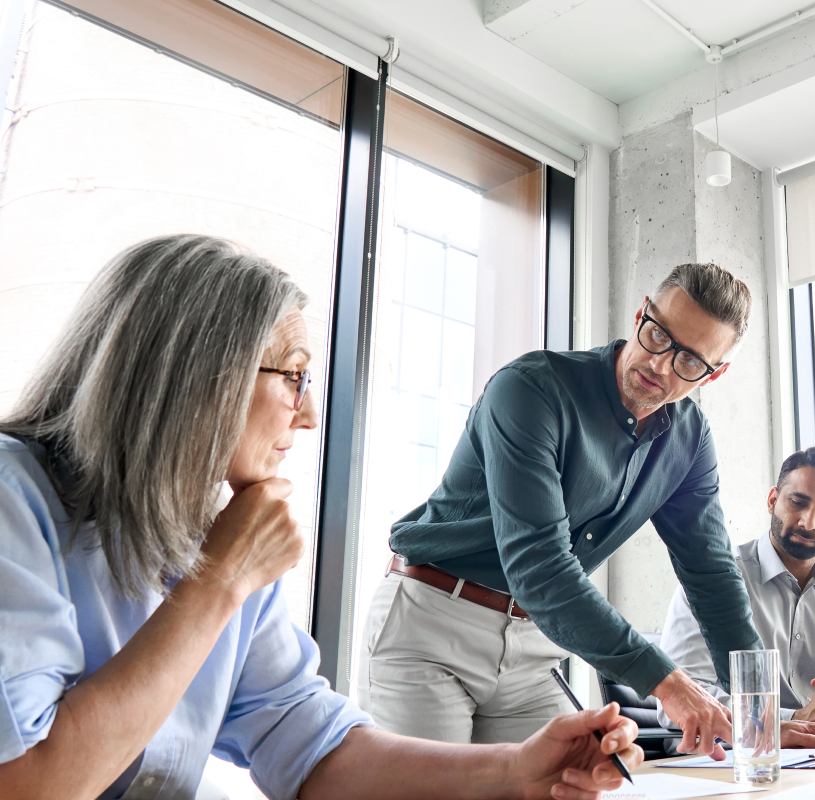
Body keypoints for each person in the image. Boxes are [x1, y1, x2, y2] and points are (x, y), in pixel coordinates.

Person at [0, 234, 642, 799]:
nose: (308, 418)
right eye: (295, 378)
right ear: (199, 378)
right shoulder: (15, 500)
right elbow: (28, 782)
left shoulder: (223, 536)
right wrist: (219, 584)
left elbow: (309, 745)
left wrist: (513, 771)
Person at [364, 263, 815, 757]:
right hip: (433, 625)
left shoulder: (688, 440)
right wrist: (668, 683)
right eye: (658, 336)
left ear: (716, 374)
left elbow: (711, 576)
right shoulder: (531, 390)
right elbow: (541, 568)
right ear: (641, 315)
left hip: (532, 648)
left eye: (691, 362)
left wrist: (763, 714)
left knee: (573, 793)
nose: (661, 366)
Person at [658, 446, 815, 728]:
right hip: (731, 760)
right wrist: (794, 720)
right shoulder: (710, 578)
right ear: (772, 499)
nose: (809, 523)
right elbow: (682, 699)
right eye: (798, 502)